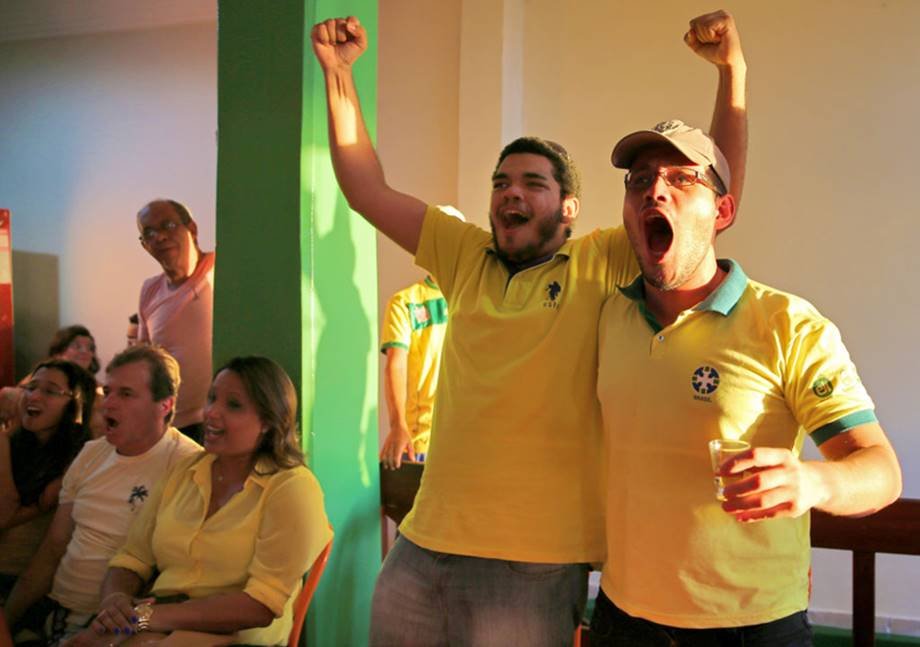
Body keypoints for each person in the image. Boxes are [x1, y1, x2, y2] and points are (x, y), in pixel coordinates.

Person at [311, 11, 747, 645]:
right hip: (421, 546)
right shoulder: (462, 255)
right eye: (500, 182)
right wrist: (338, 74)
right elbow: (364, 188)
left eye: (532, 184)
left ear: (568, 209)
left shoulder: (600, 261)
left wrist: (733, 72)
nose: (509, 194)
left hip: (532, 562)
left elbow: (713, 194)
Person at [590, 121, 902, 646]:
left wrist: (811, 482)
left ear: (723, 212)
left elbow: (882, 472)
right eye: (639, 180)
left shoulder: (789, 324)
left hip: (751, 629)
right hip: (622, 619)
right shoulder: (607, 318)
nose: (655, 189)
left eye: (682, 179)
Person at [69, 356, 332, 646]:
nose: (212, 413)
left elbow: (260, 605)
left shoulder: (292, 487)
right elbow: (133, 557)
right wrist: (115, 601)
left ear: (268, 422)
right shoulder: (186, 469)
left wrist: (144, 618)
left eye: (233, 405)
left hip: (240, 639)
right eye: (211, 399)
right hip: (157, 621)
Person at [3, 345, 200, 644]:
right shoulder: (92, 454)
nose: (108, 404)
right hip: (53, 612)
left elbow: (176, 577)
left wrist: (103, 633)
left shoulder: (188, 464)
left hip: (119, 625)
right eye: (108, 391)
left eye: (126, 394)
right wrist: (7, 621)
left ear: (164, 405)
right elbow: (52, 551)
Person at [0, 360, 95, 594]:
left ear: (76, 405)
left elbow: (4, 515)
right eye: (31, 388)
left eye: (50, 391)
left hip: (18, 582)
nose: (33, 397)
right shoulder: (16, 443)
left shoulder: (79, 458)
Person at [136, 199, 215, 443]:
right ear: (144, 245)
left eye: (168, 225)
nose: (159, 237)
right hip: (167, 427)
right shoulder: (150, 290)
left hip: (213, 422)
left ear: (192, 229)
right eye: (149, 232)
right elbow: (144, 361)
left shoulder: (219, 269)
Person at [378, 275, 449, 469]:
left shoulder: (475, 297)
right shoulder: (405, 302)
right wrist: (398, 424)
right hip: (425, 442)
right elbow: (395, 365)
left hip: (475, 438)